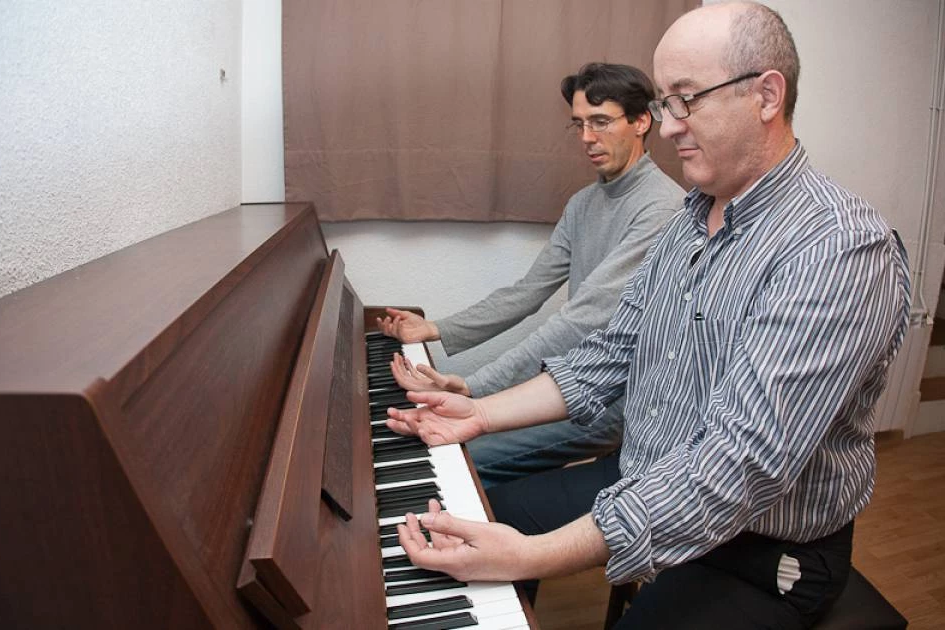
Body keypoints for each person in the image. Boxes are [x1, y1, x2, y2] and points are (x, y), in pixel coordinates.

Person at [385, 3, 912, 628]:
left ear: (766, 95)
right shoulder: (689, 221)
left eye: (685, 99)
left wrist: (537, 555)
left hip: (760, 550)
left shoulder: (839, 248)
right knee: (480, 512)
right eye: (665, 104)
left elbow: (741, 462)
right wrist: (480, 413)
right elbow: (610, 353)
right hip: (645, 476)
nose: (667, 127)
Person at [377, 63, 685, 487]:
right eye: (578, 125)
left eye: (600, 122)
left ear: (641, 121)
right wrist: (434, 328)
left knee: (462, 454)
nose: (587, 139)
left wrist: (472, 387)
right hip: (566, 386)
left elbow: (582, 319)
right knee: (450, 439)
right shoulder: (583, 203)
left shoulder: (662, 209)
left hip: (617, 400)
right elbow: (528, 292)